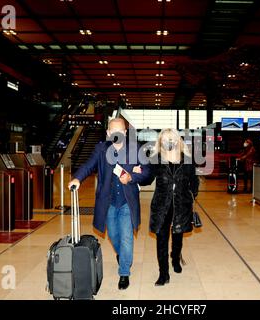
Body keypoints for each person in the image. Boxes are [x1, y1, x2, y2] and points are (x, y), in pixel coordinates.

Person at [68, 118, 151, 290]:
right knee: (113, 234)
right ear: (108, 133)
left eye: (120, 131)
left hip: (127, 202)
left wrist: (132, 177)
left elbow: (148, 173)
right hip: (108, 202)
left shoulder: (136, 150)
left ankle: (124, 273)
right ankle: (122, 256)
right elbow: (88, 165)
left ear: (125, 133)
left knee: (127, 237)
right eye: (113, 132)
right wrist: (77, 178)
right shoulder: (101, 149)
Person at [137, 128, 199, 286]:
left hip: (181, 204)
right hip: (161, 204)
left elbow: (194, 180)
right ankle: (163, 273)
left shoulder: (187, 160)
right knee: (161, 238)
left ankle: (176, 258)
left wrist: (192, 194)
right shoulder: (155, 160)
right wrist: (138, 173)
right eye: (165, 139)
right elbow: (146, 179)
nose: (168, 142)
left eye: (171, 138)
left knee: (178, 235)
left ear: (178, 140)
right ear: (160, 142)